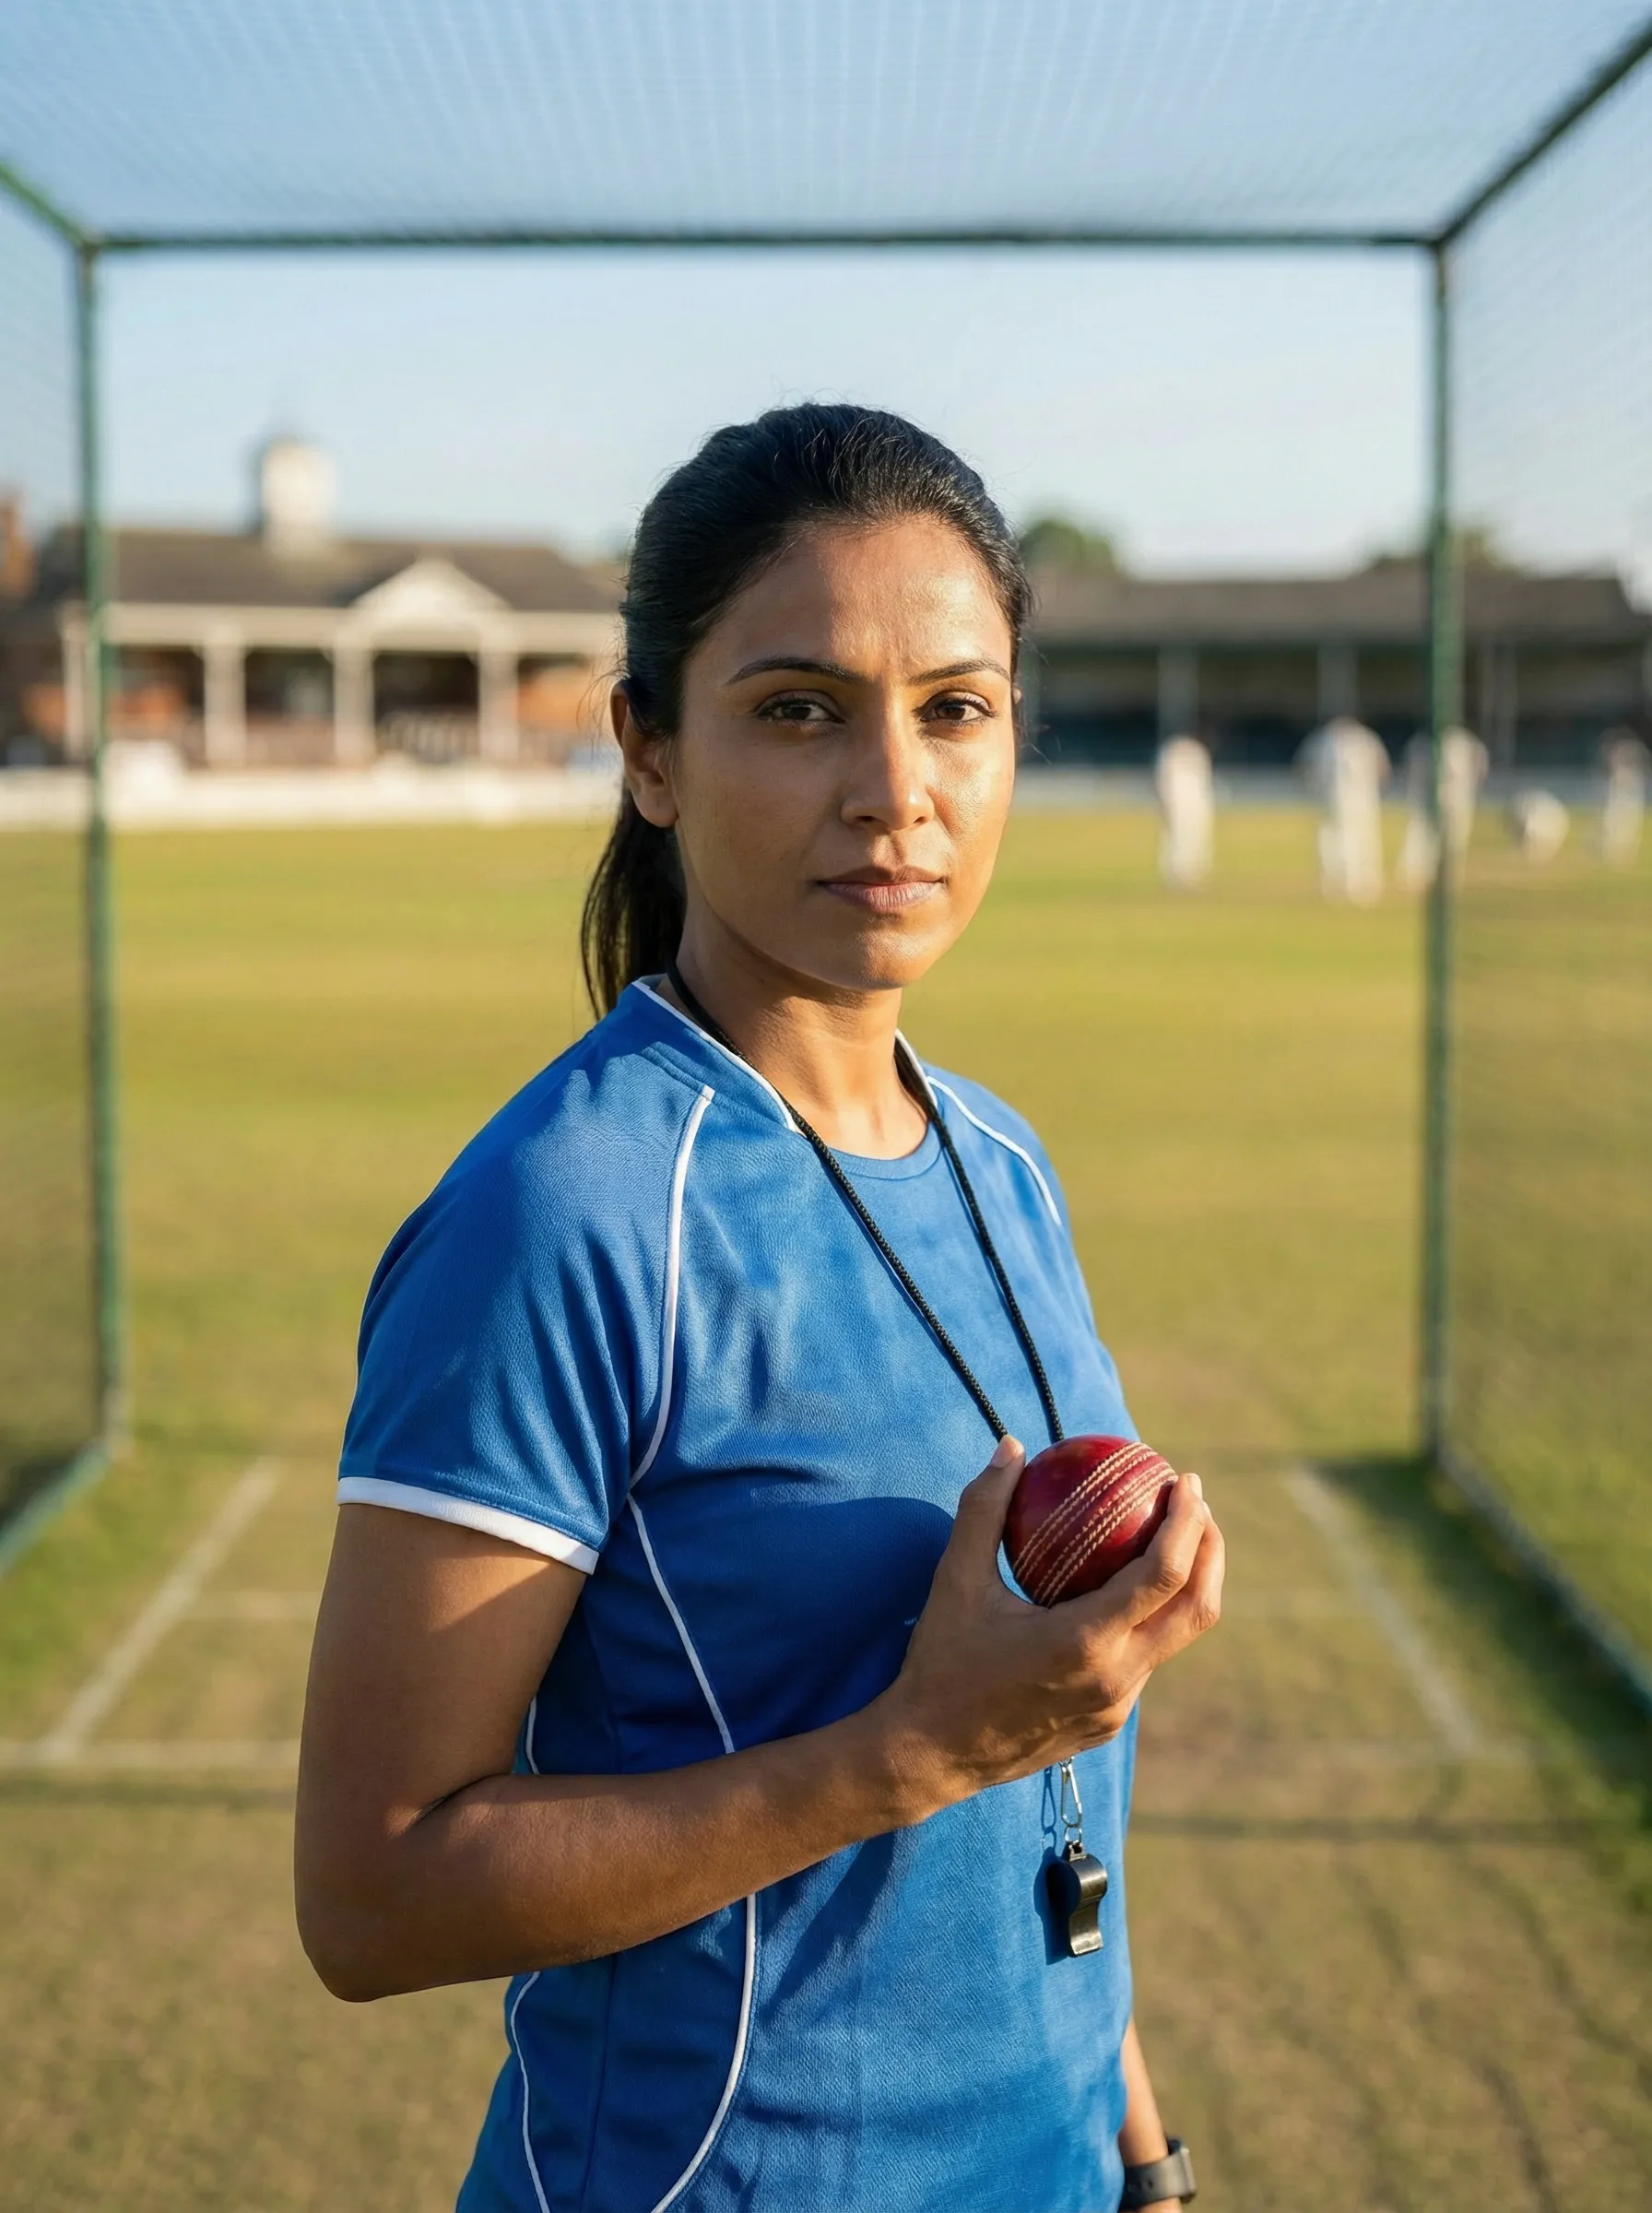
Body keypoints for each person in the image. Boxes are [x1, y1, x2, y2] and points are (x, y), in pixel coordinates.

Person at [296, 405, 1224, 2213]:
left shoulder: (1001, 1160)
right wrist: (914, 1748)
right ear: (646, 747)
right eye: (798, 708)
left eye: (955, 708)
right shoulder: (557, 1215)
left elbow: (1038, 1773)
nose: (895, 790)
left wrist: (1137, 2148)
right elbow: (373, 1891)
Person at [1297, 714, 1390, 905]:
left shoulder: (1327, 739)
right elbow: (1383, 769)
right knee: (1362, 839)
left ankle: (1338, 882)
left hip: (1336, 797)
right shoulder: (1366, 739)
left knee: (1335, 838)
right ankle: (1362, 882)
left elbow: (1305, 766)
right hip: (1364, 797)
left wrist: (1313, 788)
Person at [1397, 725, 1489, 889]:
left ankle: (1447, 873)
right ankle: (1418, 870)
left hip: (1457, 795)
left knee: (1453, 836)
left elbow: (1480, 760)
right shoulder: (1426, 741)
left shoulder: (1461, 741)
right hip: (1437, 795)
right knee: (1425, 833)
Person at [1154, 732, 1214, 890]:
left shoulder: (1197, 754)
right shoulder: (1172, 756)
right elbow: (1164, 782)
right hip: (1177, 804)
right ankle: (1176, 873)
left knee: (1194, 838)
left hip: (1196, 804)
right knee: (1176, 838)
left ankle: (1191, 872)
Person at [1600, 727, 1648, 866]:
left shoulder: (1634, 753)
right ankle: (1613, 849)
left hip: (1629, 792)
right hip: (1618, 791)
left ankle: (1626, 850)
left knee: (1628, 822)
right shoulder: (1617, 754)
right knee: (1612, 820)